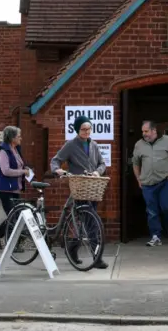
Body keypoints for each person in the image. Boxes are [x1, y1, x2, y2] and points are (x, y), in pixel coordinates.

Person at [51, 115, 108, 269]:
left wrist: (97, 172)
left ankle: (72, 248)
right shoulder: (70, 145)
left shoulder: (94, 145)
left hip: (93, 187)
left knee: (86, 222)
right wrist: (58, 170)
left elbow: (102, 164)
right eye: (83, 129)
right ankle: (97, 258)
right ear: (77, 130)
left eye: (89, 129)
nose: (86, 132)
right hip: (79, 188)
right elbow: (55, 160)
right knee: (89, 223)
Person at [132, 120, 168, 247]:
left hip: (165, 181)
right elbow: (136, 163)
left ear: (154, 130)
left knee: (167, 208)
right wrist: (138, 179)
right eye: (143, 131)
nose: (144, 134)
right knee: (152, 211)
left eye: (146, 131)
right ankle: (155, 236)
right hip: (147, 183)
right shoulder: (139, 145)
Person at [0, 126, 28, 249]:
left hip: (15, 187)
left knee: (15, 215)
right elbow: (5, 171)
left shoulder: (15, 149)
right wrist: (22, 172)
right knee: (14, 217)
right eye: (18, 136)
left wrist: (26, 171)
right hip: (5, 189)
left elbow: (20, 165)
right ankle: (13, 245)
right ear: (11, 138)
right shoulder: (3, 151)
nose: (20, 138)